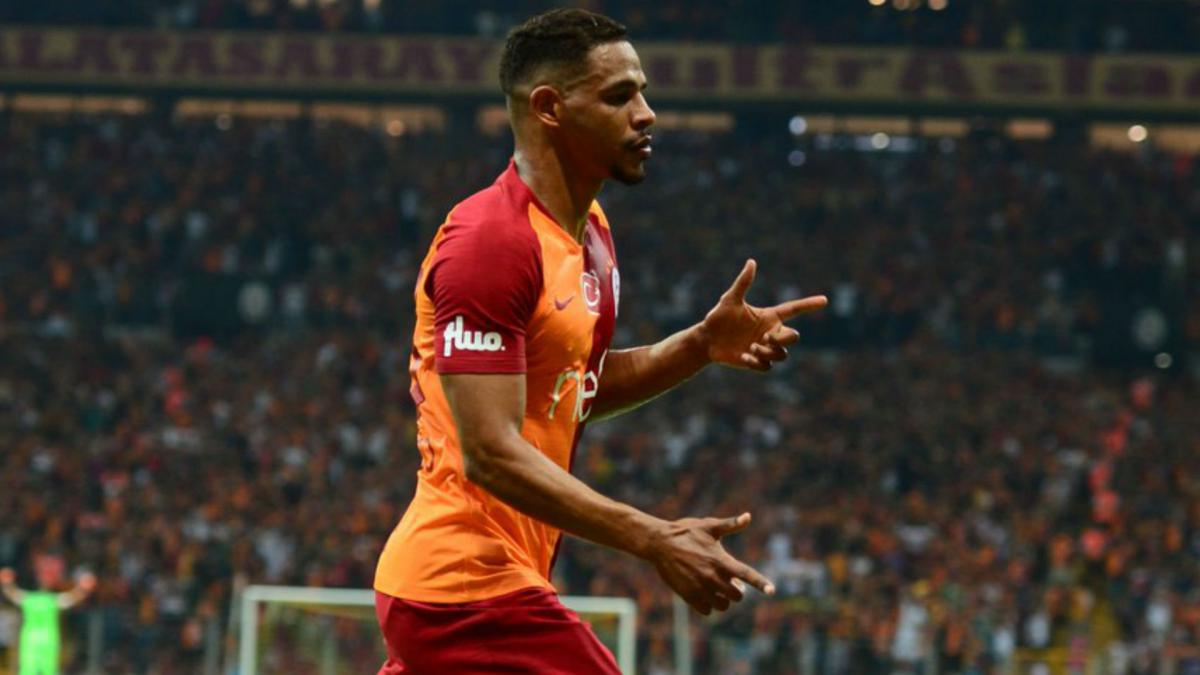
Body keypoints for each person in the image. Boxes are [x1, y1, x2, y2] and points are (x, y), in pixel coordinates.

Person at [372, 8, 827, 673]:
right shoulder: (491, 243)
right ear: (549, 108)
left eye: (642, 93)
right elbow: (489, 454)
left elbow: (572, 390)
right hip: (463, 587)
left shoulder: (591, 235)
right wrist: (653, 537)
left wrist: (698, 345)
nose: (646, 114)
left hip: (488, 581)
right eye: (619, 96)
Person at [0, 567, 96, 675]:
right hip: (44, 638)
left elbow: (12, 594)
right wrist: (83, 589)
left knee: (34, 667)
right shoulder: (51, 600)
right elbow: (72, 598)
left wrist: (6, 583)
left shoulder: (30, 599)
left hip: (34, 638)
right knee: (42, 667)